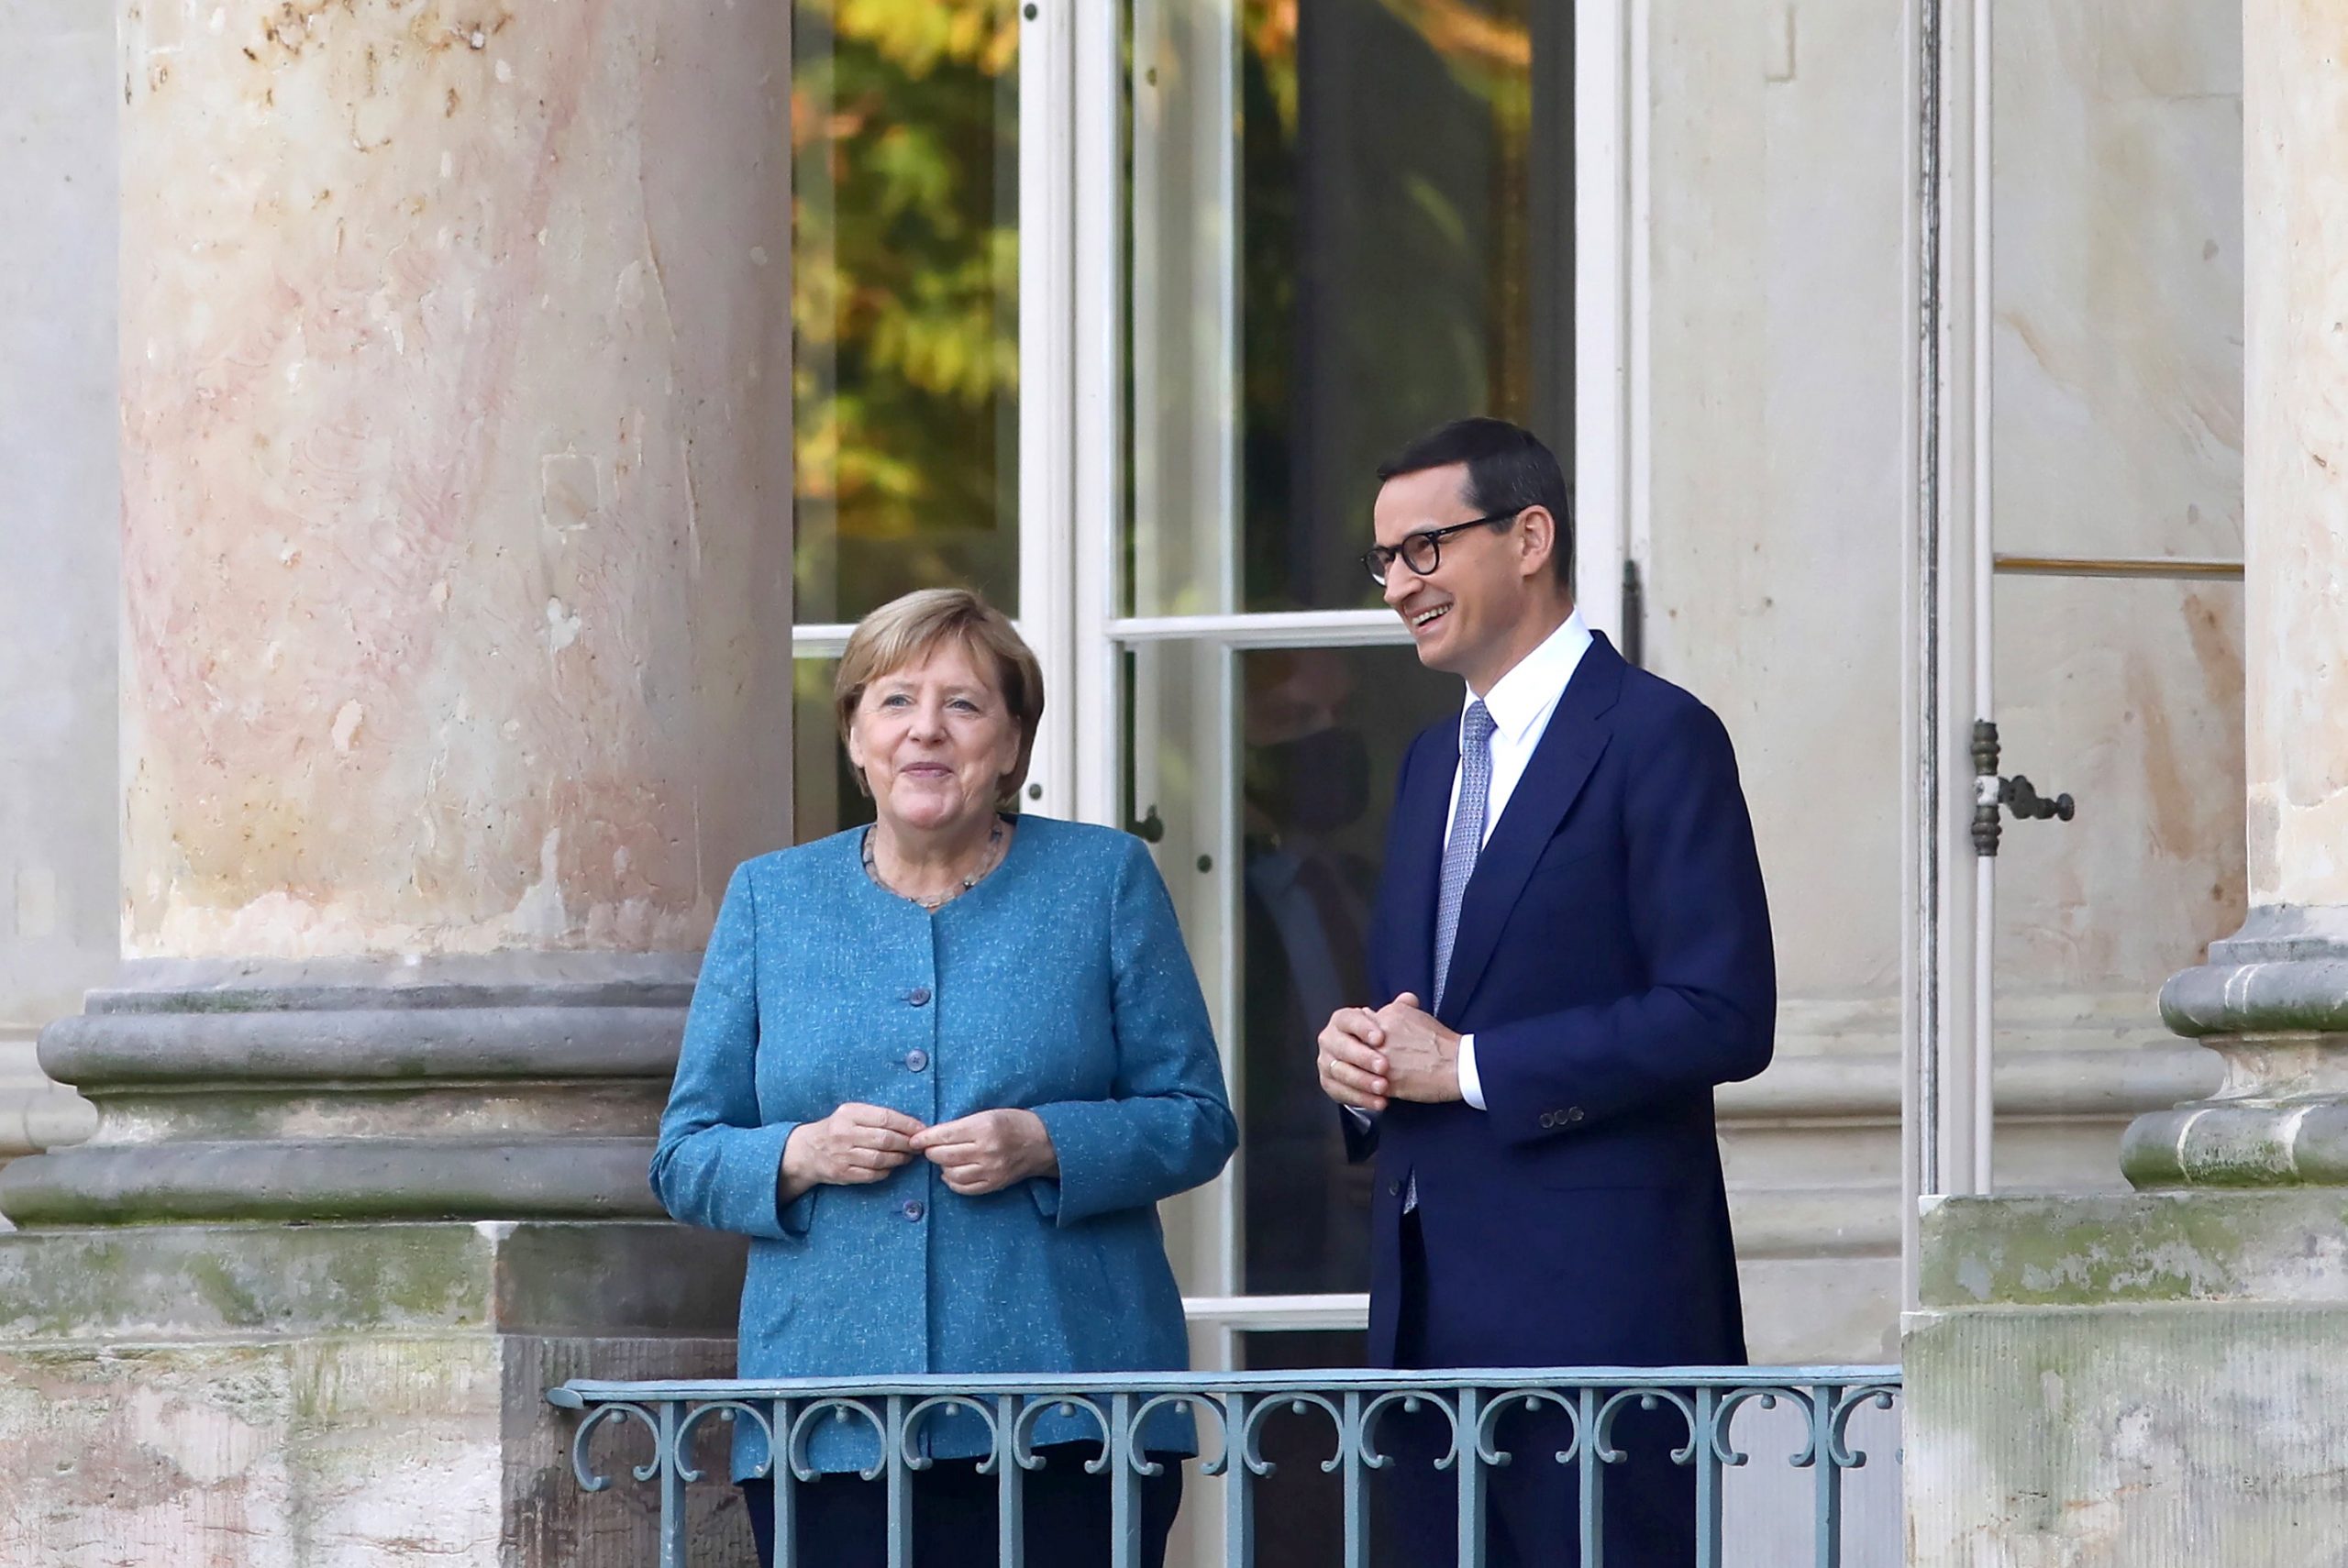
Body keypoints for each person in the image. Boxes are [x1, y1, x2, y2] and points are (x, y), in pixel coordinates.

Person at [651, 587, 1238, 1568]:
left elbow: (1196, 1119)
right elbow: (684, 1155)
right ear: (854, 736)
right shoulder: (770, 899)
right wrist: (800, 1152)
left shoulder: (1103, 880)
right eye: (894, 702)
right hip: (827, 1411)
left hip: (1070, 1405)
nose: (926, 730)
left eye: (964, 705)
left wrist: (1048, 1144)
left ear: (1011, 745)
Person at [1315, 418, 1776, 1568]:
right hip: (1423, 1326)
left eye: (1425, 549)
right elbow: (1423, 1006)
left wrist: (1469, 1068)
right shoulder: (1432, 762)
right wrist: (1363, 1066)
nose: (1400, 586)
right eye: (1384, 562)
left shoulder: (1659, 735)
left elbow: (1724, 1011)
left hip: (1603, 1325)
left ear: (1529, 537)